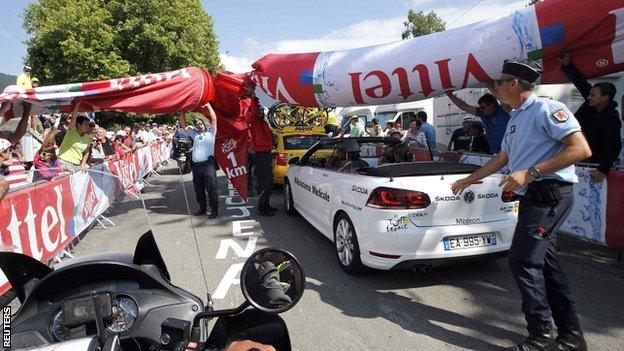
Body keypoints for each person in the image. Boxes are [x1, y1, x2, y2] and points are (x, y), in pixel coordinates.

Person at [451, 59, 591, 351]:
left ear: (514, 83)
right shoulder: (515, 117)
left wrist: (530, 172)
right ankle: (571, 337)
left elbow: (580, 149)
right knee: (547, 266)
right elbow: (503, 158)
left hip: (549, 194)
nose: (495, 87)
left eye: (499, 82)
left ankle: (539, 339)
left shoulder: (546, 109)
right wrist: (469, 179)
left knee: (522, 261)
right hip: (534, 197)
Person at [559, 51, 622, 182]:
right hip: (577, 156)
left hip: (594, 165)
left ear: (605, 98)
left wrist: (603, 170)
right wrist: (567, 64)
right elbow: (581, 83)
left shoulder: (611, 119)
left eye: (593, 95)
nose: (588, 97)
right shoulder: (591, 103)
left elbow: (614, 147)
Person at [243, 81, 276, 216]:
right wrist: (252, 94)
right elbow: (254, 108)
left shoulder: (265, 123)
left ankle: (266, 204)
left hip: (266, 152)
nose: (263, 112)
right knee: (265, 183)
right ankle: (262, 209)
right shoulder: (256, 121)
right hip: (260, 153)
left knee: (269, 182)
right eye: (261, 110)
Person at [179, 106, 219, 218]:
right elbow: (183, 124)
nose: (199, 125)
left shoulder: (211, 132)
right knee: (199, 189)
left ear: (204, 124)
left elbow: (214, 119)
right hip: (196, 167)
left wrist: (208, 106)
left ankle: (214, 210)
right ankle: (202, 208)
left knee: (212, 189)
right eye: (196, 124)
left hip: (208, 166)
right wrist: (181, 111)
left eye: (200, 123)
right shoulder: (194, 134)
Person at [445, 89, 511, 154]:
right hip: (497, 154)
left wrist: (490, 86)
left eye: (483, 107)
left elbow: (506, 100)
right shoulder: (483, 114)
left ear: (492, 105)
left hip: (511, 151)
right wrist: (450, 95)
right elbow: (465, 107)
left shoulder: (503, 110)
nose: (481, 109)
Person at [57, 102, 94, 170]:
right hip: (63, 163)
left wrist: (83, 163)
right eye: (85, 124)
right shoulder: (71, 130)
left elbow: (87, 151)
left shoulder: (87, 137)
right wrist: (77, 104)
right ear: (78, 124)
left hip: (77, 165)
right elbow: (74, 117)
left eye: (88, 125)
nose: (88, 126)